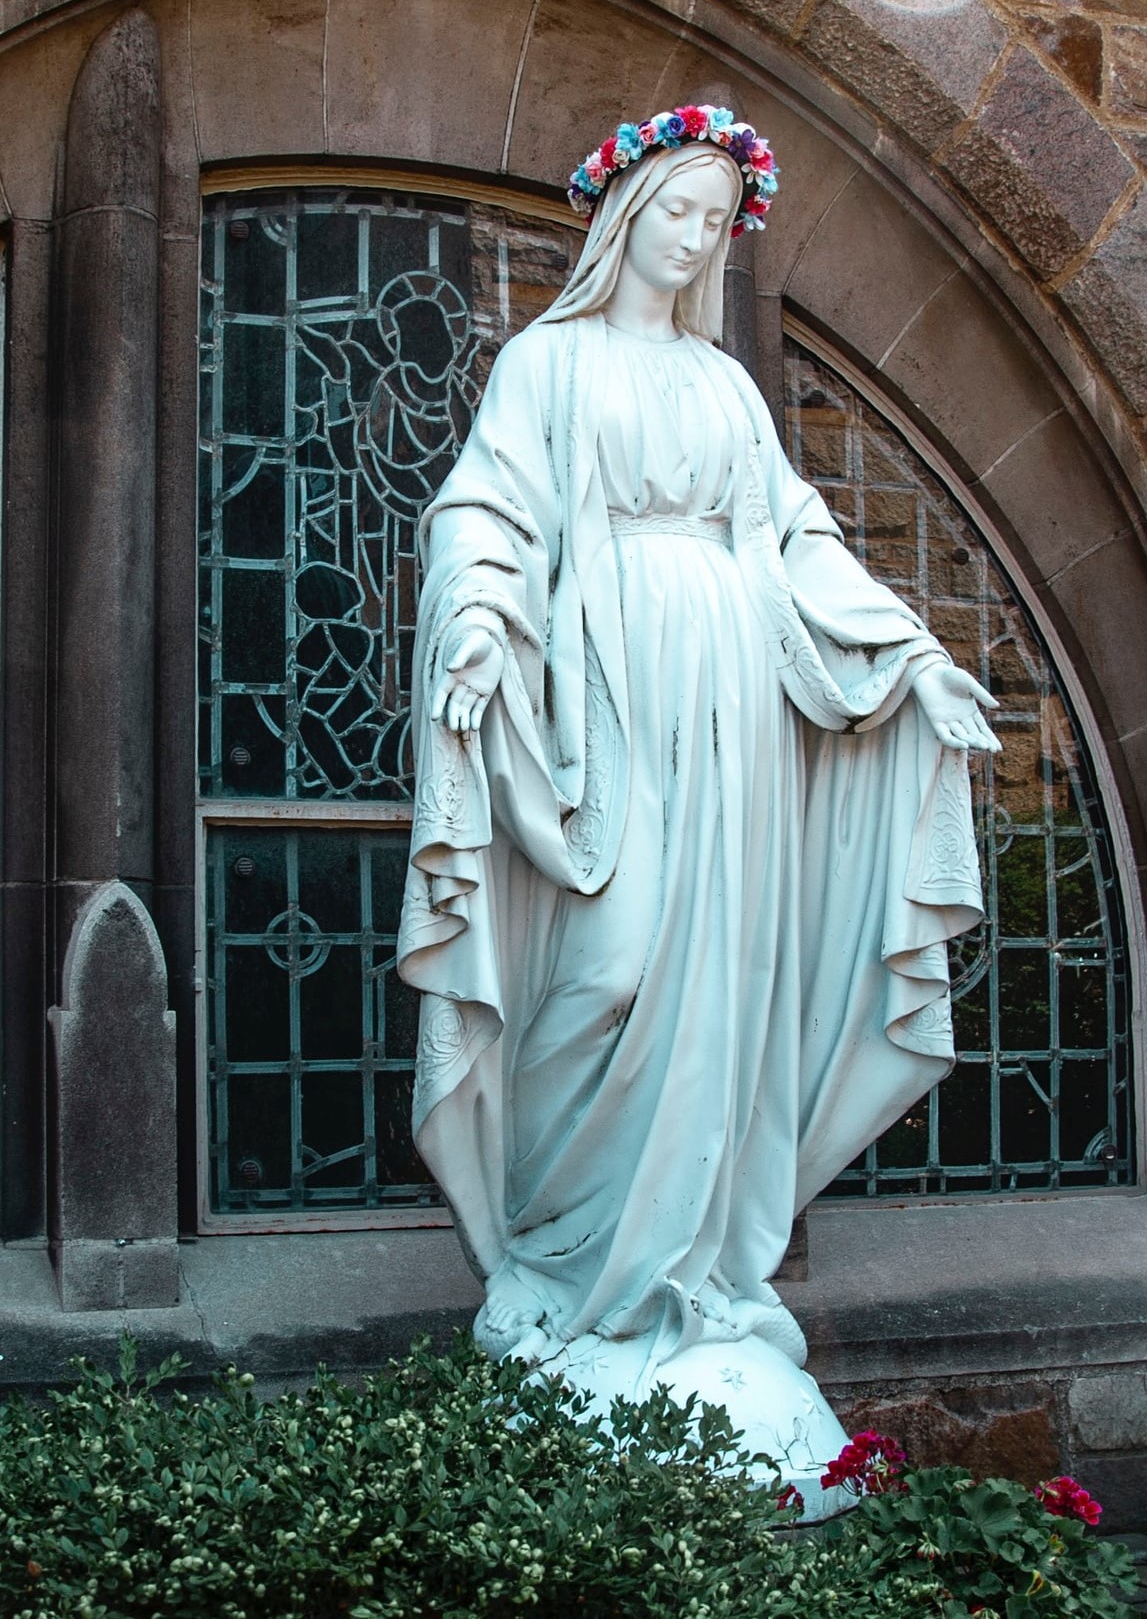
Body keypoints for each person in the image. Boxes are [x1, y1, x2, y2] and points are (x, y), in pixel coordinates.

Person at [398, 107, 995, 1422]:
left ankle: (698, 1283)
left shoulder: (727, 389)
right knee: (608, 960)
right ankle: (558, 1261)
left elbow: (793, 543)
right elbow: (488, 511)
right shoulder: (548, 369)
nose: (695, 237)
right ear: (626, 215)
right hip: (603, 698)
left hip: (733, 706)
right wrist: (479, 625)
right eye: (678, 209)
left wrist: (908, 659)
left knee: (722, 986)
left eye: (718, 222)